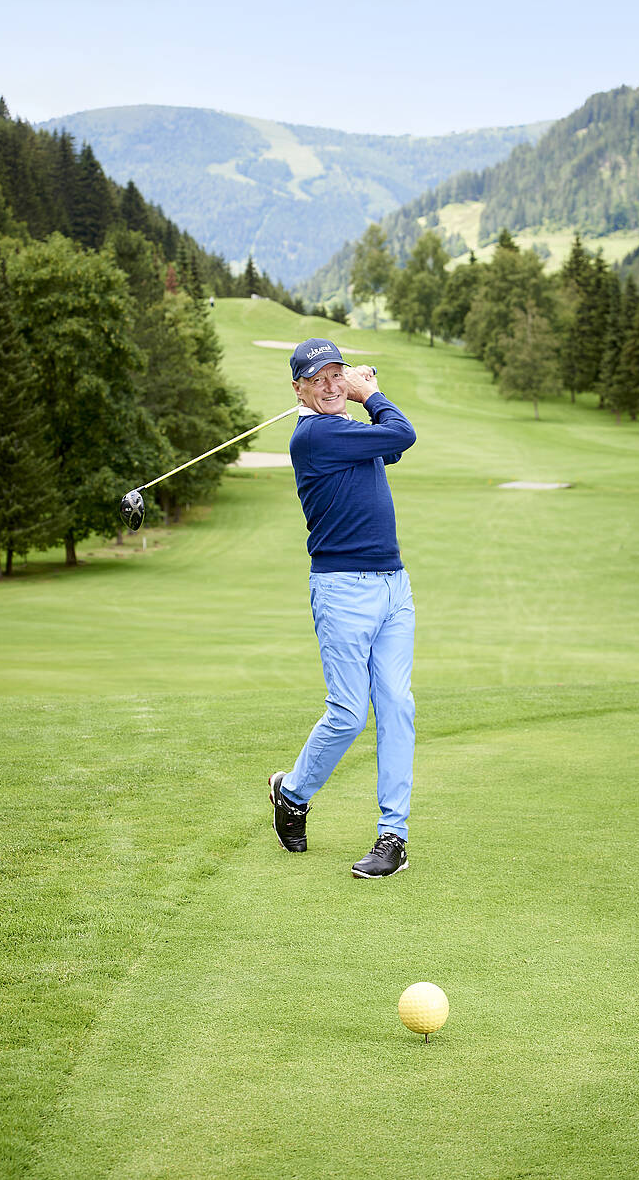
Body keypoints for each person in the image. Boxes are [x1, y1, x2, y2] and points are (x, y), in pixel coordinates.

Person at [268, 337, 418, 878]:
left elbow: (391, 447)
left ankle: (392, 837)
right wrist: (370, 391)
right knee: (351, 712)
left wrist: (363, 401)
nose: (332, 385)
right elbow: (402, 433)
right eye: (320, 378)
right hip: (343, 592)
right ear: (299, 390)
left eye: (338, 374)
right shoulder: (315, 434)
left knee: (397, 705)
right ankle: (293, 792)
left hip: (393, 586)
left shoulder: (343, 431)